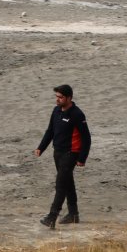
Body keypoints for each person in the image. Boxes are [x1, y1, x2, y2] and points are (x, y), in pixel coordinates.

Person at [34, 84, 92, 228]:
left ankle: (52, 217)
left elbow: (86, 138)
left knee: (60, 184)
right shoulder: (56, 111)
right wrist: (41, 148)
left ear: (69, 98)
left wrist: (82, 158)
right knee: (67, 182)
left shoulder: (77, 114)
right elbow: (50, 131)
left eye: (60, 97)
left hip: (71, 153)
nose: (57, 99)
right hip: (57, 152)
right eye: (57, 97)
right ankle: (73, 214)